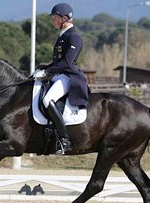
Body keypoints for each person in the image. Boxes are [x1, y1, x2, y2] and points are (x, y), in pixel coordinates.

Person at [33, 3, 89, 155]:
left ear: (65, 18)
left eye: (55, 18)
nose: (53, 21)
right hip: (60, 74)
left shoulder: (74, 37)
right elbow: (58, 61)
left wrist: (48, 72)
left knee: (47, 99)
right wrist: (44, 67)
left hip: (69, 76)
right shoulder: (63, 35)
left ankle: (64, 140)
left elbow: (67, 62)